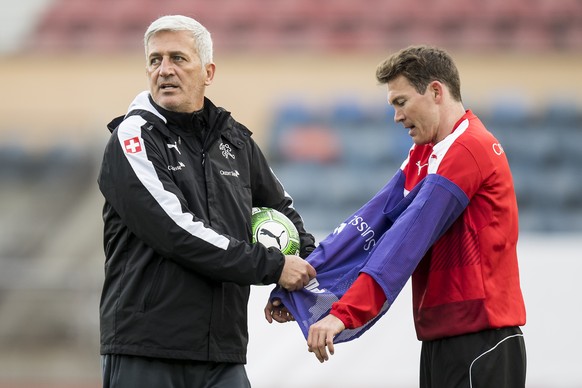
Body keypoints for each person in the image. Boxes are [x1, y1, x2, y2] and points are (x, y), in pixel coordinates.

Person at [97, 15, 316, 388]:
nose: (164, 70)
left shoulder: (236, 141)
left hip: (222, 352)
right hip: (147, 350)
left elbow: (286, 214)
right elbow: (175, 232)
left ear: (208, 71)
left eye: (178, 58)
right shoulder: (133, 137)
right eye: (155, 60)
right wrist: (272, 266)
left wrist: (293, 285)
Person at [304, 46, 527, 387]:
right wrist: (306, 280)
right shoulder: (426, 152)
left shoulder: (469, 148)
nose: (396, 116)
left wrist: (344, 314)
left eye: (401, 102)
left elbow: (408, 238)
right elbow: (372, 220)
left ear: (436, 91)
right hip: (444, 339)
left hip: (482, 340)